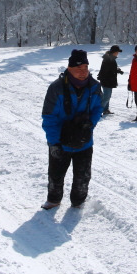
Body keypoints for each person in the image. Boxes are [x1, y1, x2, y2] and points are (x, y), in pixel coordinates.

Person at [40, 49, 104, 210]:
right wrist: (54, 143)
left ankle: (78, 202)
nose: (83, 73)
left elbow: (98, 108)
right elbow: (49, 117)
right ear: (69, 69)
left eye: (85, 68)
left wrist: (89, 124)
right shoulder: (57, 88)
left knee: (83, 176)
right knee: (56, 174)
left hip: (84, 140)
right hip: (61, 141)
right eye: (78, 69)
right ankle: (54, 200)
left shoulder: (94, 87)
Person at [96, 45, 124, 116]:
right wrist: (116, 71)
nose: (118, 53)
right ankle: (98, 111)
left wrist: (118, 70)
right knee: (106, 97)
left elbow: (110, 69)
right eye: (117, 52)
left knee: (107, 96)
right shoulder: (108, 59)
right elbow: (106, 70)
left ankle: (105, 109)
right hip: (107, 80)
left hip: (108, 80)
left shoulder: (110, 58)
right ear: (114, 52)